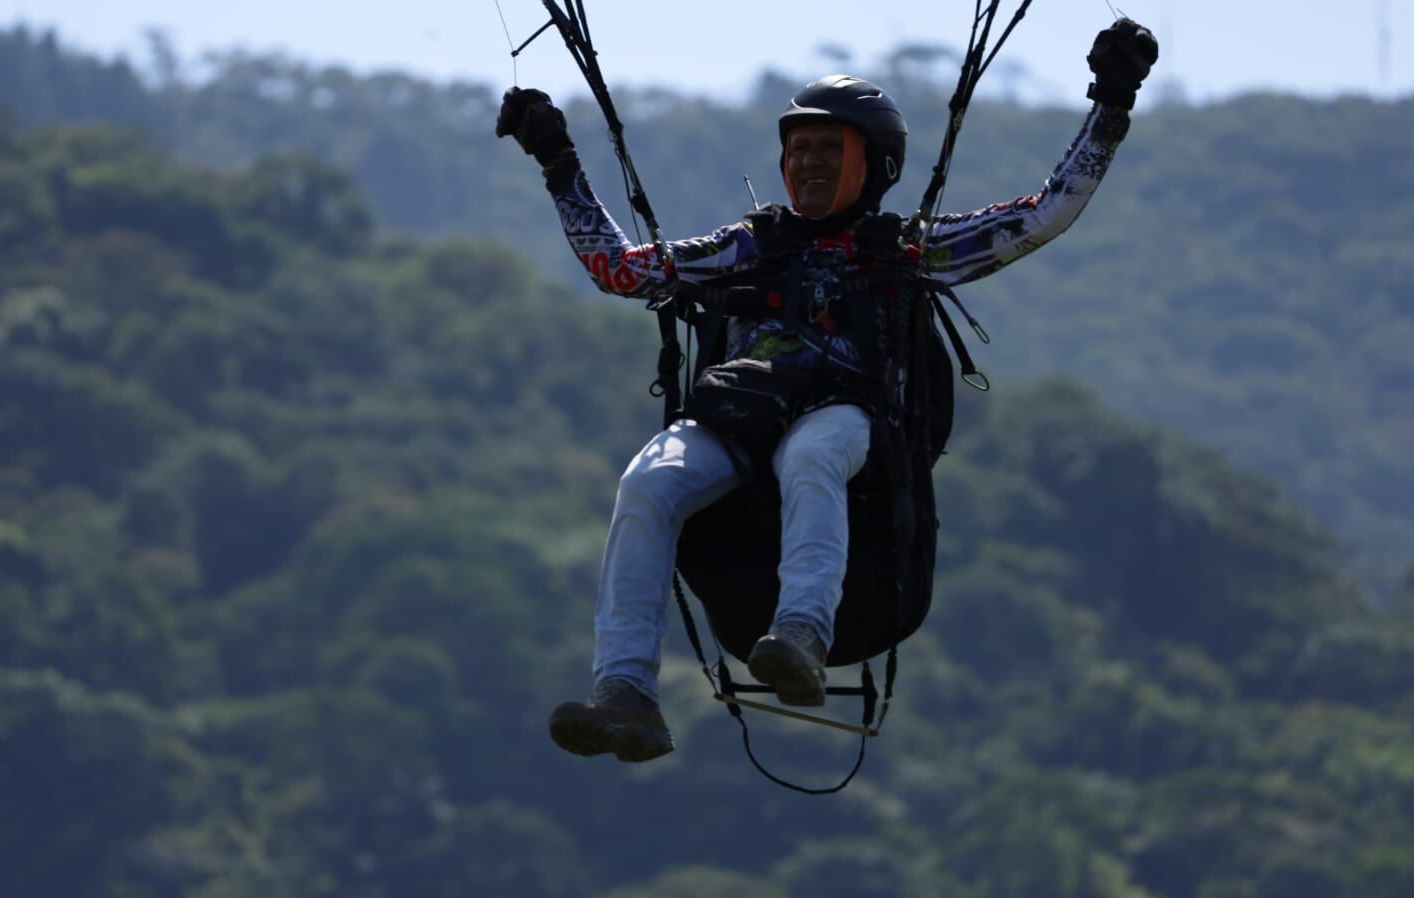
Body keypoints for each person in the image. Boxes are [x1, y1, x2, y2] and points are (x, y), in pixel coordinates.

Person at [496, 19, 1158, 762]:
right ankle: (626, 692)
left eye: (827, 149)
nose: (807, 164)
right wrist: (558, 161)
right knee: (648, 480)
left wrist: (1111, 104)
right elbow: (625, 272)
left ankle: (802, 633)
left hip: (847, 418)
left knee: (810, 454)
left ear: (873, 165)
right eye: (797, 149)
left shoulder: (908, 248)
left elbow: (1043, 214)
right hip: (740, 420)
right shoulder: (747, 245)